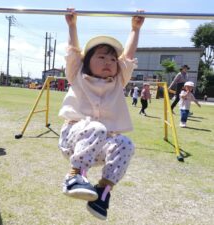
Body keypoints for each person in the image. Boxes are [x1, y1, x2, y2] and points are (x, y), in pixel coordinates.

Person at [58, 8, 144, 220]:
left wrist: (135, 29)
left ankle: (102, 193)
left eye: (113, 59)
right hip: (74, 140)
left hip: (99, 148)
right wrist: (72, 25)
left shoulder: (118, 81)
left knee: (125, 143)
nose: (108, 62)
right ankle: (74, 176)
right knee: (96, 127)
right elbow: (73, 51)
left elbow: (129, 56)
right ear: (87, 61)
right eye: (102, 56)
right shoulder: (76, 74)